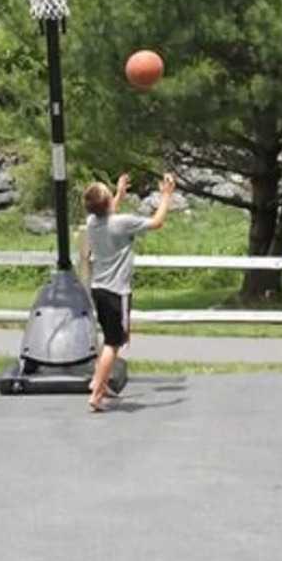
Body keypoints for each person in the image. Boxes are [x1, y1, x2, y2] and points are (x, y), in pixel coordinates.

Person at [82, 172, 176, 412]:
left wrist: (119, 194)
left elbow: (108, 210)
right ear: (106, 204)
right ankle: (96, 390)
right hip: (118, 292)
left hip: (99, 289)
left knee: (109, 338)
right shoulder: (121, 223)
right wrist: (166, 196)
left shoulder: (92, 223)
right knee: (114, 343)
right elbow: (157, 222)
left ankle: (99, 382)